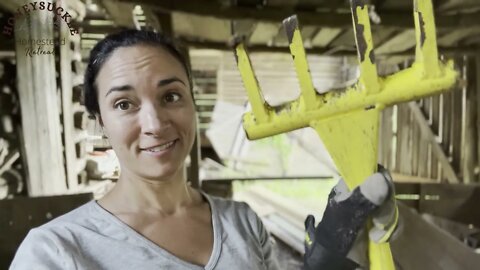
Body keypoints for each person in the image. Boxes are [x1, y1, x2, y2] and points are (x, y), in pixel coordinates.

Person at [10, 30, 397, 270]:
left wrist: (330, 248)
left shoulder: (241, 224)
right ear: (99, 121)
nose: (155, 123)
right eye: (124, 104)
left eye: (171, 96)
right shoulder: (56, 253)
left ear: (193, 104)